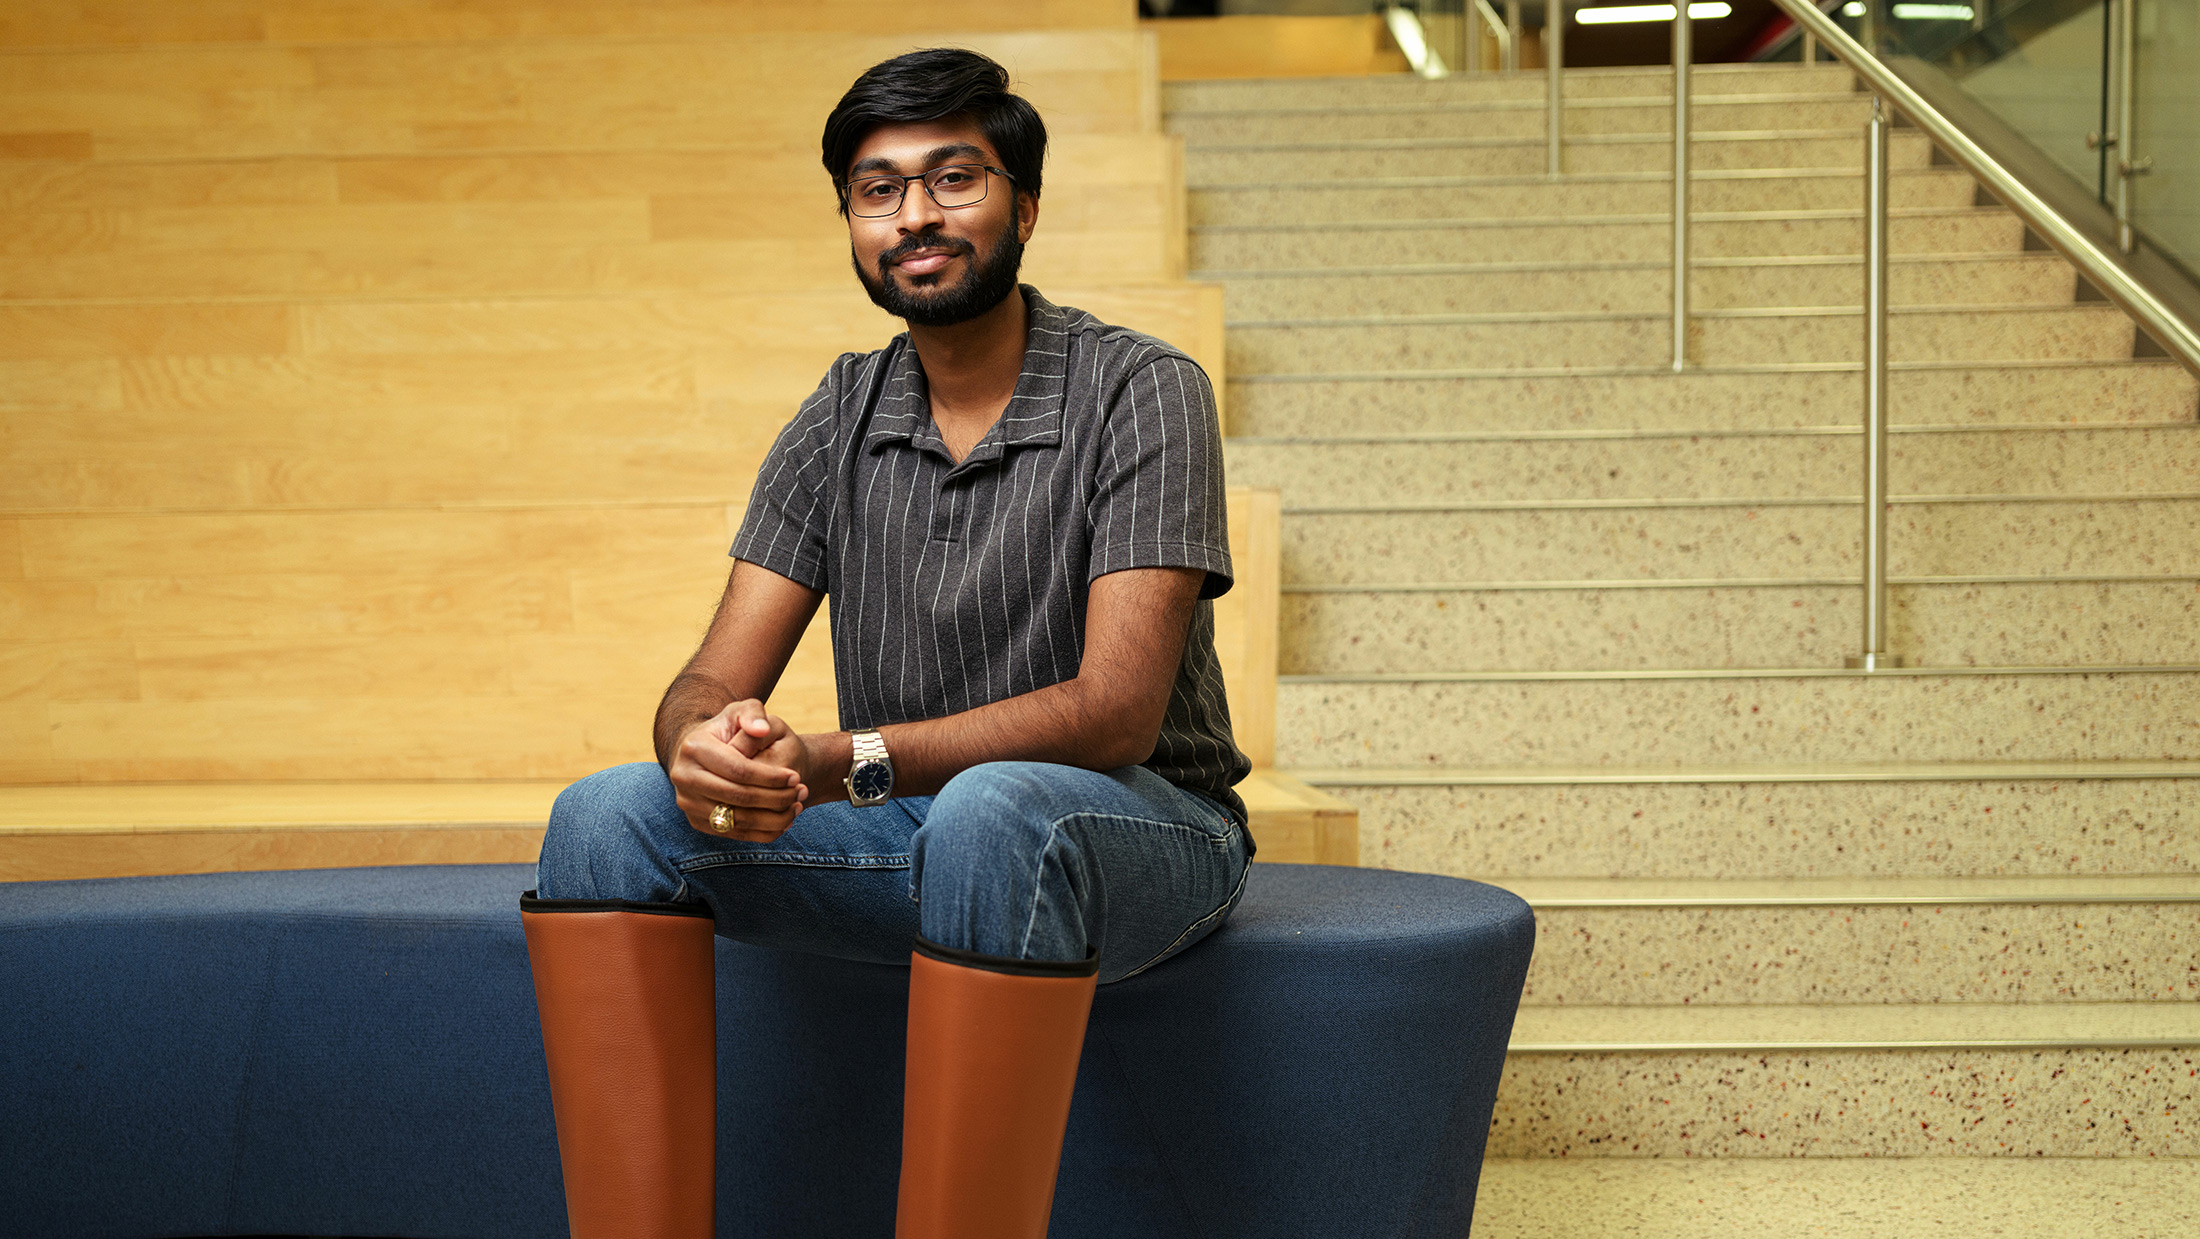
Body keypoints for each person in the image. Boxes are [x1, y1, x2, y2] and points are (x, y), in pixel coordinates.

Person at [519, 47, 1253, 1239]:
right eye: (878, 188)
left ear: (1024, 204)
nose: (915, 215)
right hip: (920, 831)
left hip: (1140, 828)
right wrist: (708, 746)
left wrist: (837, 760)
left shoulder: (1143, 389)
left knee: (999, 809)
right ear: (854, 223)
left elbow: (1117, 712)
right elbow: (711, 677)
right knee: (602, 816)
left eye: (953, 179)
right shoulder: (840, 412)